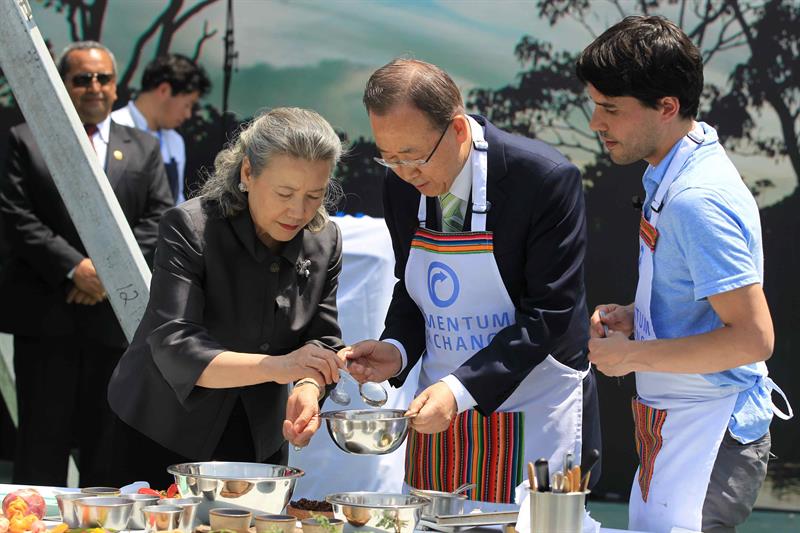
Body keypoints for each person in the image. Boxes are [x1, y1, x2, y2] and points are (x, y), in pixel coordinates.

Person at [343, 59, 600, 508]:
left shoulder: (542, 179)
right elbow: (415, 281)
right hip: (437, 409)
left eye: (413, 156)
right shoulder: (402, 182)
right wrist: (397, 348)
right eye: (390, 157)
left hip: (534, 403)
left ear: (458, 129)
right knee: (431, 518)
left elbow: (549, 315)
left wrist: (459, 391)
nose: (404, 172)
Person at [578, 16, 793, 533]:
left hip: (713, 433)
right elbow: (701, 301)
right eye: (595, 105)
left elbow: (753, 337)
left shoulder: (697, 198)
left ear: (667, 107)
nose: (596, 123)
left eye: (610, 108)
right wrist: (640, 316)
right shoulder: (673, 167)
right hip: (680, 424)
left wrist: (630, 354)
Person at [106, 107, 347, 488]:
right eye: (284, 193)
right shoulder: (190, 227)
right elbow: (175, 343)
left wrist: (307, 387)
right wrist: (280, 367)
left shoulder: (325, 240)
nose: (298, 211)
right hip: (162, 431)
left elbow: (323, 338)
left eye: (314, 195)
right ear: (248, 174)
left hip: (257, 441)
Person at [0, 41, 173, 486]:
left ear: (116, 88)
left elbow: (159, 218)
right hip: (46, 321)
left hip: (115, 325)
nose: (94, 87)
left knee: (108, 447)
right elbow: (16, 216)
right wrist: (74, 269)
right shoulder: (25, 140)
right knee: (41, 445)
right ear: (62, 86)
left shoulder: (144, 148)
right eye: (82, 79)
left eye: (103, 79)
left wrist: (106, 276)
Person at [112, 53, 211, 204]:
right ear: (164, 90)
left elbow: (176, 200)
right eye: (187, 104)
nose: (188, 114)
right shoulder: (112, 127)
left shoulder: (175, 141)